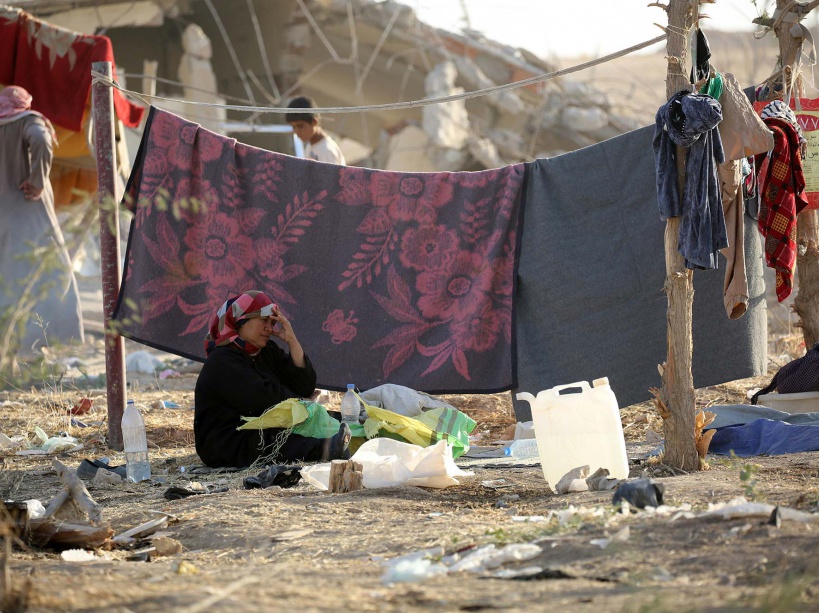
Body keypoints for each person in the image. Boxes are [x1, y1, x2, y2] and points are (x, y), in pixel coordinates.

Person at [194, 290, 350, 468]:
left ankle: (347, 437)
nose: (269, 328)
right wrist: (301, 402)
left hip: (262, 426)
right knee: (276, 440)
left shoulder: (266, 351)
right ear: (240, 321)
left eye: (272, 322)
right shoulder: (222, 360)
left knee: (338, 419)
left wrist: (292, 341)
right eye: (263, 320)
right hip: (227, 440)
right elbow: (263, 399)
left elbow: (305, 386)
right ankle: (327, 448)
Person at [0, 85, 83, 355]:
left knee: (8, 280)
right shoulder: (28, 120)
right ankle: (38, 344)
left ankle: (10, 348)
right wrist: (37, 182)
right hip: (29, 214)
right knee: (51, 273)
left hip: (4, 218)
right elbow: (41, 139)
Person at [286, 96, 346, 165]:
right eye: (293, 127)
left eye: (300, 126)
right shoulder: (310, 146)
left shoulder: (326, 151)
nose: (297, 131)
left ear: (314, 122)